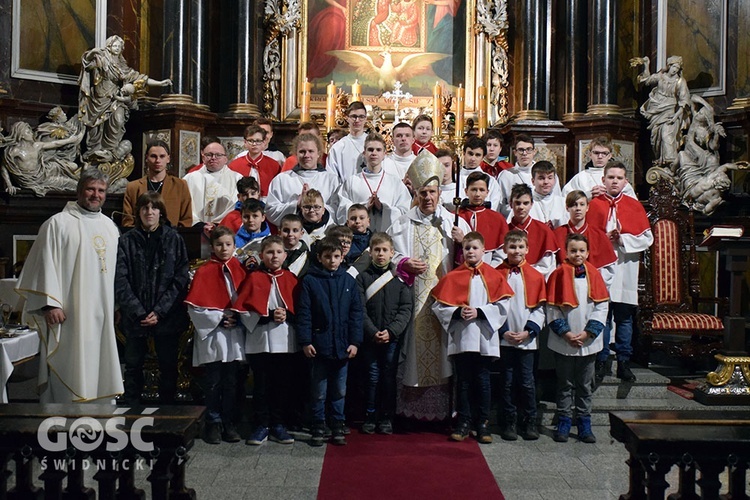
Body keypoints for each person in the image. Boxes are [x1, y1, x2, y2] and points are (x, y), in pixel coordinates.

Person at [15, 169, 123, 403]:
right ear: (79, 191)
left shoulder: (110, 228)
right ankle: (61, 421)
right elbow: (44, 265)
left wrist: (116, 306)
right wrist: (49, 305)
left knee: (100, 363)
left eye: (101, 190)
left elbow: (115, 274)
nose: (96, 195)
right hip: (68, 314)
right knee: (70, 363)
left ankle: (100, 418)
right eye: (91, 189)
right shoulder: (57, 224)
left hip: (102, 313)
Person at [387, 152, 470, 421]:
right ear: (417, 193)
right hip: (412, 299)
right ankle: (408, 413)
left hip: (444, 301)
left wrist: (462, 240)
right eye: (423, 192)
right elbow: (389, 255)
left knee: (444, 353)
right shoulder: (401, 223)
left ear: (439, 193)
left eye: (432, 192)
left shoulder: (452, 222)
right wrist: (404, 263)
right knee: (411, 352)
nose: (428, 198)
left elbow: (468, 260)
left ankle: (443, 412)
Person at [431, 232, 512, 443]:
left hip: (484, 337)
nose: (470, 252)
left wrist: (480, 312)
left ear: (483, 250)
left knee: (483, 381)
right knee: (464, 381)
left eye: (475, 248)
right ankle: (463, 421)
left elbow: (503, 306)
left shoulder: (494, 276)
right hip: (463, 337)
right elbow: (439, 307)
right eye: (467, 248)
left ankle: (483, 423)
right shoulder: (453, 276)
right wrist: (457, 312)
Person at [115, 192, 190, 405]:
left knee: (168, 366)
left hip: (166, 316)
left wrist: (159, 311)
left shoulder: (173, 238)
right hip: (135, 316)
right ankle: (131, 412)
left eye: (154, 208)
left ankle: (168, 413)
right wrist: (138, 311)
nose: (150, 212)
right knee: (132, 366)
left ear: (161, 212)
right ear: (138, 212)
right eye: (145, 208)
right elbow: (120, 279)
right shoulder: (126, 240)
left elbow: (180, 278)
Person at [588, 161, 653, 383]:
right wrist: (603, 239)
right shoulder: (594, 205)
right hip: (601, 268)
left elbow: (647, 238)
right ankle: (602, 359)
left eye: (619, 178)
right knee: (603, 315)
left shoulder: (634, 206)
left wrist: (622, 238)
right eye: (611, 177)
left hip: (626, 268)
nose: (615, 181)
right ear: (603, 180)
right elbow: (585, 235)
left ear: (626, 181)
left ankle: (624, 361)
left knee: (624, 317)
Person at [297, 237, 364, 446]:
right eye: (328, 256)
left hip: (343, 345)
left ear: (342, 257)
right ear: (319, 257)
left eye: (336, 256)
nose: (332, 260)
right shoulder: (310, 280)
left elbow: (356, 314)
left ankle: (337, 424)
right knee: (319, 390)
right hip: (319, 345)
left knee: (339, 390)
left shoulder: (348, 281)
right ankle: (318, 424)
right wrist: (306, 341)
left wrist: (355, 341)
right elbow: (304, 313)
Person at [234, 235, 299, 446]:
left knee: (282, 385)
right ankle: (261, 424)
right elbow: (242, 309)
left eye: (278, 252)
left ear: (285, 255)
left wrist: (287, 315)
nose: (274, 256)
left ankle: (278, 424)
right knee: (261, 385)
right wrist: (268, 316)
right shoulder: (254, 278)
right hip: (259, 340)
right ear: (262, 255)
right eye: (270, 252)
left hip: (285, 341)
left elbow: (301, 309)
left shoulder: (291, 278)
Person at [185, 226, 247, 444]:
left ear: (234, 246)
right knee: (213, 382)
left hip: (235, 333)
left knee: (231, 381)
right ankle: (213, 422)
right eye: (219, 244)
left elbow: (248, 300)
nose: (223, 249)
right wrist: (219, 318)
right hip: (213, 333)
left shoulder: (240, 269)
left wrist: (238, 318)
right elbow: (195, 306)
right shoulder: (204, 271)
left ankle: (229, 423)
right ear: (212, 247)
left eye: (228, 244)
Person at [546, 233, 609, 443]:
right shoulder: (558, 274)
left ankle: (584, 423)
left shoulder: (595, 274)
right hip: (565, 340)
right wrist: (567, 333)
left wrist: (588, 332)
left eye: (582, 250)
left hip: (588, 340)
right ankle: (563, 421)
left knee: (585, 384)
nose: (577, 254)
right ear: (566, 251)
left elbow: (601, 306)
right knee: (564, 383)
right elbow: (552, 308)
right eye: (573, 250)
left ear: (588, 252)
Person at [78, 35, 171, 160]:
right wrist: (92, 52)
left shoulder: (122, 66)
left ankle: (110, 151)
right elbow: (87, 64)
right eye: (114, 45)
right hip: (99, 98)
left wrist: (159, 83)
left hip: (116, 98)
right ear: (109, 46)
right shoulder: (102, 59)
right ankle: (94, 151)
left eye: (119, 46)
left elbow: (140, 78)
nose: (116, 48)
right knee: (96, 126)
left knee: (118, 119)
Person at [356, 232, 413, 435]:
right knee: (371, 377)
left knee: (388, 377)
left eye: (384, 250)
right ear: (370, 252)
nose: (380, 254)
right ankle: (370, 415)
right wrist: (372, 331)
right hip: (370, 338)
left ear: (392, 253)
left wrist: (391, 331)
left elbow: (406, 309)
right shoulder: (362, 279)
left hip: (392, 338)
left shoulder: (400, 280)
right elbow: (359, 309)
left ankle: (387, 417)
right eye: (377, 250)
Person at [496, 230, 547, 441]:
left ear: (527, 249)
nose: (516, 251)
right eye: (512, 247)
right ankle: (508, 421)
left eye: (520, 247)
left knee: (527, 382)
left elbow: (541, 308)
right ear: (505, 249)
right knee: (506, 381)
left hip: (527, 339)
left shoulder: (535, 276)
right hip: (504, 338)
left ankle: (529, 421)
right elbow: (493, 305)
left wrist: (528, 331)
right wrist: (504, 331)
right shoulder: (496, 273)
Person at [336, 132, 412, 232]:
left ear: (384, 154)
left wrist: (383, 208)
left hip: (386, 239)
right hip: (358, 237)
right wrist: (365, 207)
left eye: (378, 150)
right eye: (370, 150)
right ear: (364, 153)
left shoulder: (395, 182)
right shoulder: (352, 181)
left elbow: (405, 211)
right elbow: (341, 210)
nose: (374, 153)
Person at [265, 133, 341, 227]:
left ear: (318, 153)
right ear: (295, 154)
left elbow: (338, 211)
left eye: (311, 151)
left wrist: (315, 208)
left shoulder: (332, 180)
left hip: (325, 235)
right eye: (302, 151)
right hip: (292, 236)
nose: (306, 155)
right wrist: (296, 205)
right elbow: (270, 211)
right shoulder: (282, 179)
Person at [631, 55, 691, 164]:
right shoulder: (661, 76)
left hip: (671, 112)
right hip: (656, 109)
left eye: (677, 68)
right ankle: (659, 160)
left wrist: (676, 116)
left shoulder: (680, 82)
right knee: (655, 138)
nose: (675, 70)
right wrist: (646, 64)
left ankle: (670, 162)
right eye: (673, 67)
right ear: (669, 66)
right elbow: (646, 81)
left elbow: (684, 101)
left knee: (667, 135)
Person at [554, 190, 617, 289]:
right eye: (574, 205)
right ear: (567, 208)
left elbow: (608, 269)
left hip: (591, 288)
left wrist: (590, 281)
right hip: (564, 287)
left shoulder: (599, 235)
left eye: (582, 204)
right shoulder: (557, 234)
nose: (578, 208)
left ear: (587, 207)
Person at [122, 140, 193, 227]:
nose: (157, 160)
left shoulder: (180, 185)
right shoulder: (133, 187)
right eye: (153, 156)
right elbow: (127, 221)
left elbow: (186, 220)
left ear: (168, 159)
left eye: (162, 156)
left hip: (171, 237)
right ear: (146, 158)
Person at [1, 121, 82, 196]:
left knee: (72, 171)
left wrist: (70, 140)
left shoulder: (36, 146)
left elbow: (55, 143)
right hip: (30, 181)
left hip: (43, 174)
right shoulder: (14, 151)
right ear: (21, 135)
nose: (31, 134)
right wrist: (9, 185)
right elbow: (4, 167)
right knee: (72, 184)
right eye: (28, 132)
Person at [497, 134, 562, 217]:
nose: (525, 153)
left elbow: (556, 199)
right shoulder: (505, 175)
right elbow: (500, 206)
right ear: (515, 152)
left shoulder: (547, 173)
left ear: (534, 151)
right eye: (521, 150)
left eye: (528, 149)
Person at [184, 137, 242, 225]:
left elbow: (236, 205)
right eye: (209, 155)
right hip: (196, 229)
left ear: (225, 159)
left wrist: (218, 224)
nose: (213, 158)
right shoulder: (190, 178)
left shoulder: (237, 178)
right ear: (203, 158)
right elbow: (184, 205)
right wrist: (198, 223)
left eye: (218, 155)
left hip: (226, 228)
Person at [507, 183, 559, 280]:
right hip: (510, 278)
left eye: (525, 203)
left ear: (531, 204)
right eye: (517, 203)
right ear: (510, 204)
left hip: (535, 280)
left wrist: (525, 272)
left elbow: (547, 266)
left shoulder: (544, 230)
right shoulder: (505, 230)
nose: (521, 207)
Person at [457, 171, 508, 265]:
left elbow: (501, 254)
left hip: (488, 269)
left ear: (487, 192)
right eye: (473, 189)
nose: (477, 194)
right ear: (466, 191)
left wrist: (489, 271)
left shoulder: (497, 219)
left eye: (481, 190)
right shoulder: (456, 216)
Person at [562, 136, 636, 200]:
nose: (600, 157)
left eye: (604, 153)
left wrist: (612, 194)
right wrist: (588, 195)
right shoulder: (580, 178)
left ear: (610, 156)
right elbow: (565, 200)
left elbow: (632, 203)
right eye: (596, 153)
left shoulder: (618, 177)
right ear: (590, 154)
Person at [228, 125, 282, 200]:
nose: (254, 144)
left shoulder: (274, 165)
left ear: (264, 142)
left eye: (258, 141)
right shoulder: (234, 165)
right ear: (245, 142)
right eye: (251, 140)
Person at [327, 102, 369, 182]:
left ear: (366, 118)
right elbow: (332, 178)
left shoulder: (374, 144)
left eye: (361, 117)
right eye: (354, 116)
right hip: (345, 193)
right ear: (347, 118)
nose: (357, 120)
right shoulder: (338, 147)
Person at [459, 136, 502, 210]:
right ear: (463, 153)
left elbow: (493, 207)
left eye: (477, 155)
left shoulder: (491, 181)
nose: (473, 158)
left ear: (483, 157)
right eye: (470, 154)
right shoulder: (455, 179)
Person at [528, 161, 569, 229]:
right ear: (533, 181)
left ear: (554, 180)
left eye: (550, 178)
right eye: (541, 178)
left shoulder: (564, 203)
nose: (546, 182)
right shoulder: (526, 203)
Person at [234, 199, 272, 269]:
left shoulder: (269, 241)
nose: (251, 220)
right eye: (246, 217)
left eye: (255, 216)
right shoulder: (234, 241)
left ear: (263, 217)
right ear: (241, 217)